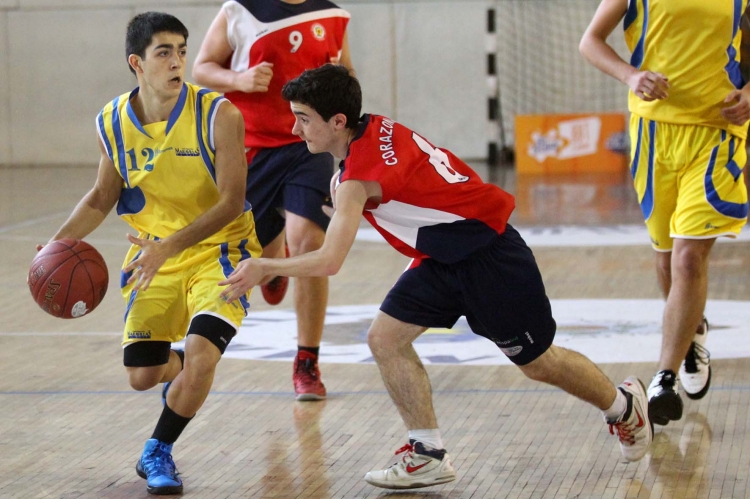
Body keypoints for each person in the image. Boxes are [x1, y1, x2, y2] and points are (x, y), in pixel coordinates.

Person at [219, 64, 653, 490]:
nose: (294, 130)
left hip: (489, 258)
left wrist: (266, 266)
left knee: (540, 364)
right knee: (384, 338)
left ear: (337, 121)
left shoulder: (355, 179)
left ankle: (623, 406)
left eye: (303, 118)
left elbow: (330, 260)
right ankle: (428, 453)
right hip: (440, 259)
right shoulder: (372, 129)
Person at [38, 12, 261, 495]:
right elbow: (102, 196)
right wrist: (58, 244)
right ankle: (182, 368)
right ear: (136, 63)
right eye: (164, 53)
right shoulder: (114, 121)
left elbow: (230, 202)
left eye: (182, 51)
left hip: (221, 252)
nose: (178, 62)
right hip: (152, 257)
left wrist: (169, 247)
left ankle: (158, 449)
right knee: (143, 376)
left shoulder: (219, 115)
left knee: (203, 355)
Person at [580, 0, 750, 426]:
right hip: (653, 133)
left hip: (717, 132)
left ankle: (664, 378)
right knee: (666, 257)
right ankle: (692, 332)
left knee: (689, 258)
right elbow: (591, 41)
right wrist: (631, 75)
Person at [192, 0, 354, 401]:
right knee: (254, 262)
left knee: (310, 243)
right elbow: (202, 68)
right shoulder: (240, 10)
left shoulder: (332, 15)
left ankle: (307, 361)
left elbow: (346, 78)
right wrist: (240, 79)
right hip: (254, 149)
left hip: (308, 147)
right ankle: (275, 253)